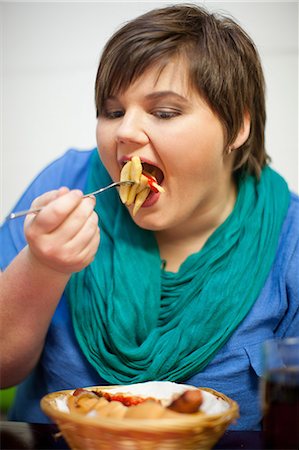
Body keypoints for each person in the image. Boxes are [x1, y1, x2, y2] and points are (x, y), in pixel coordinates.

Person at [0, 3, 298, 431]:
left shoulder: (291, 238)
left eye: (164, 113)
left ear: (238, 127)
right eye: (113, 111)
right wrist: (42, 266)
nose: (124, 132)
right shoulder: (66, 183)